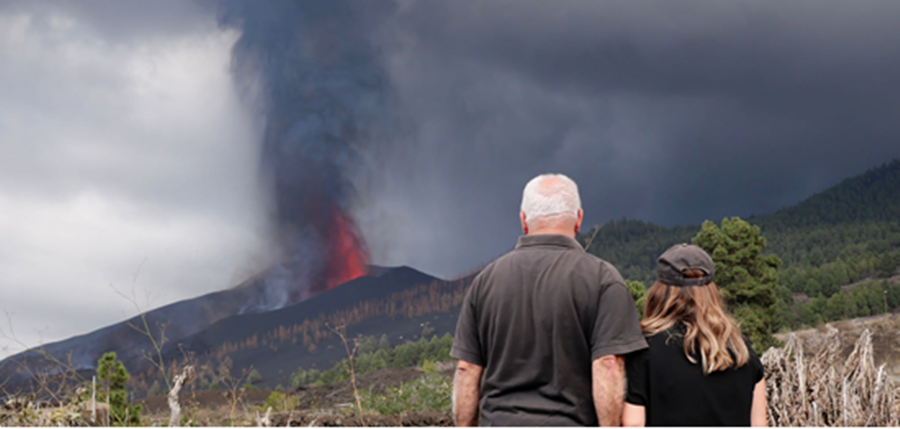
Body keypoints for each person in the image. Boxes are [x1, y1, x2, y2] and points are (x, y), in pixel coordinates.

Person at [450, 173, 648, 426]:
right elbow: (608, 365)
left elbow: (466, 369)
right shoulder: (603, 280)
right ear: (578, 219)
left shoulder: (485, 281)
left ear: (523, 220)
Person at [622, 244, 767, 427]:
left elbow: (633, 424)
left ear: (659, 292)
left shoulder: (644, 350)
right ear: (712, 292)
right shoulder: (742, 351)